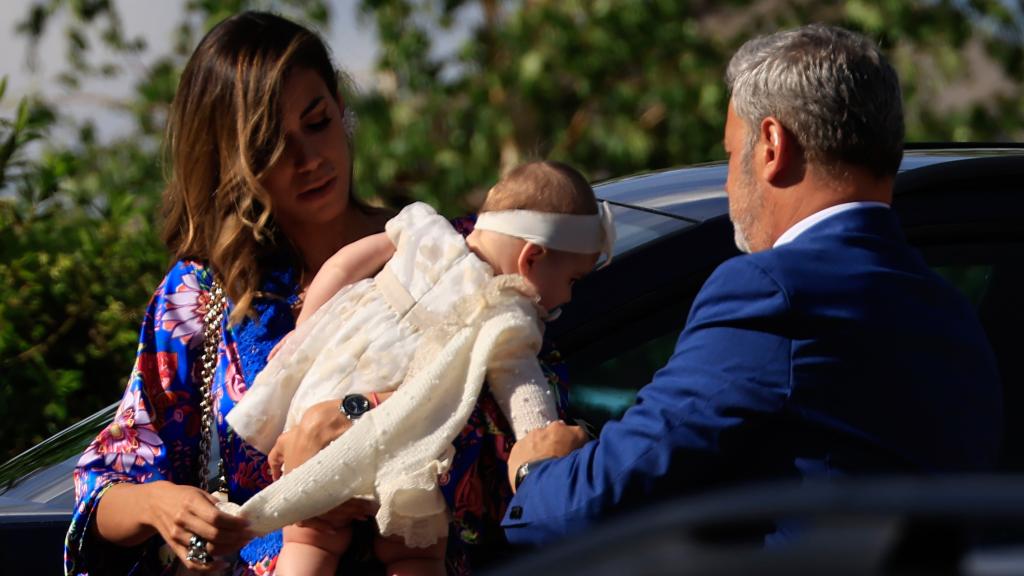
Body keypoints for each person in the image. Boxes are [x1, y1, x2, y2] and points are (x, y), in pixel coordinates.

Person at [63, 11, 543, 575]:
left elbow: (531, 419)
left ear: (341, 110)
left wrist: (362, 414)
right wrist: (163, 509)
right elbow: (107, 482)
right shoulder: (200, 296)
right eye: (271, 145)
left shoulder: (449, 254)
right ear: (229, 161)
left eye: (317, 123)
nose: (309, 159)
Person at [501, 23, 1003, 546]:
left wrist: (537, 473)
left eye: (728, 153)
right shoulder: (952, 313)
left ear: (770, 144)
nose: (725, 183)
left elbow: (590, 504)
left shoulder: (772, 291)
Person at [222, 160, 613, 576]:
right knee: (415, 554)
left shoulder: (424, 229)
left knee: (311, 536)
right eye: (573, 279)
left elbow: (342, 264)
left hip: (326, 396)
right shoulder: (504, 314)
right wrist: (543, 444)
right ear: (531, 258)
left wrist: (307, 330)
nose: (569, 298)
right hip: (406, 440)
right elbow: (524, 390)